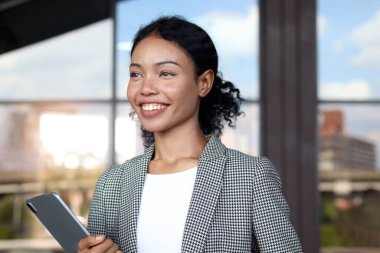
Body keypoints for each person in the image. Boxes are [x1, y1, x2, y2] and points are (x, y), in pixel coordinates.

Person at [78, 16, 302, 253]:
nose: (145, 88)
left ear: (204, 82)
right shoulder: (112, 183)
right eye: (136, 74)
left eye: (165, 73)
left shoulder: (250, 177)